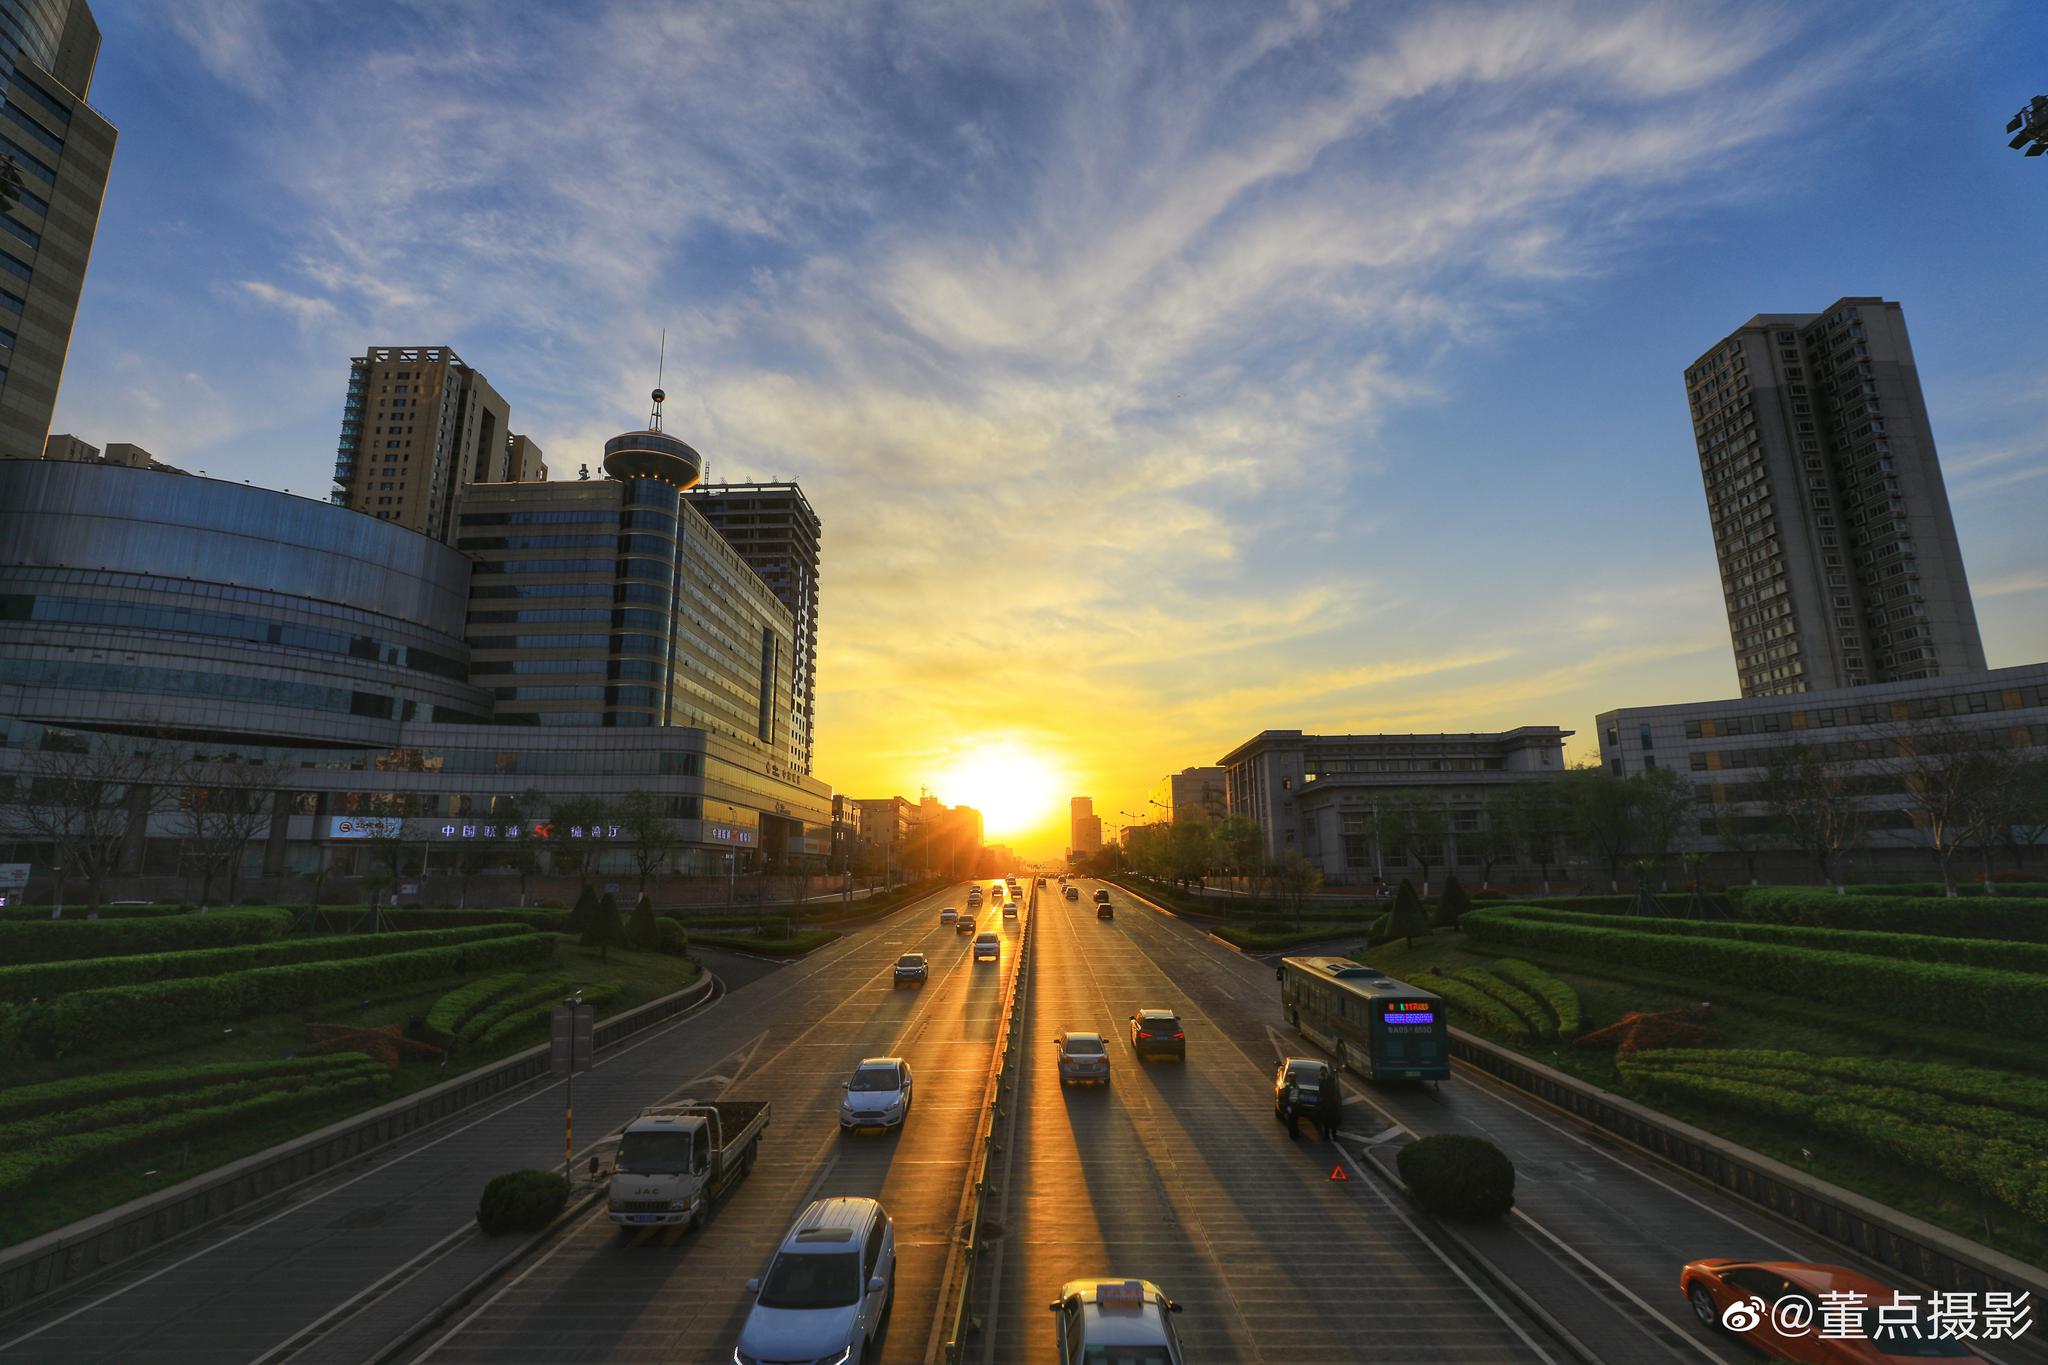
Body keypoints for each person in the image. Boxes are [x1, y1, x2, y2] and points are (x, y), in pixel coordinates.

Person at [1315, 1063, 1343, 1141]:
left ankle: (1334, 1136)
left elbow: (1332, 1090)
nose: (1323, 1073)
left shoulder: (1330, 1079)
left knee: (1333, 1122)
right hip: (1324, 1105)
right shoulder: (1321, 1080)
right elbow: (1321, 1092)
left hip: (1332, 1104)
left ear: (1326, 1072)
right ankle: (1327, 1136)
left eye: (1324, 1071)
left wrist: (1326, 1079)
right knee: (1325, 1122)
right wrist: (1322, 1080)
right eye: (1321, 1072)